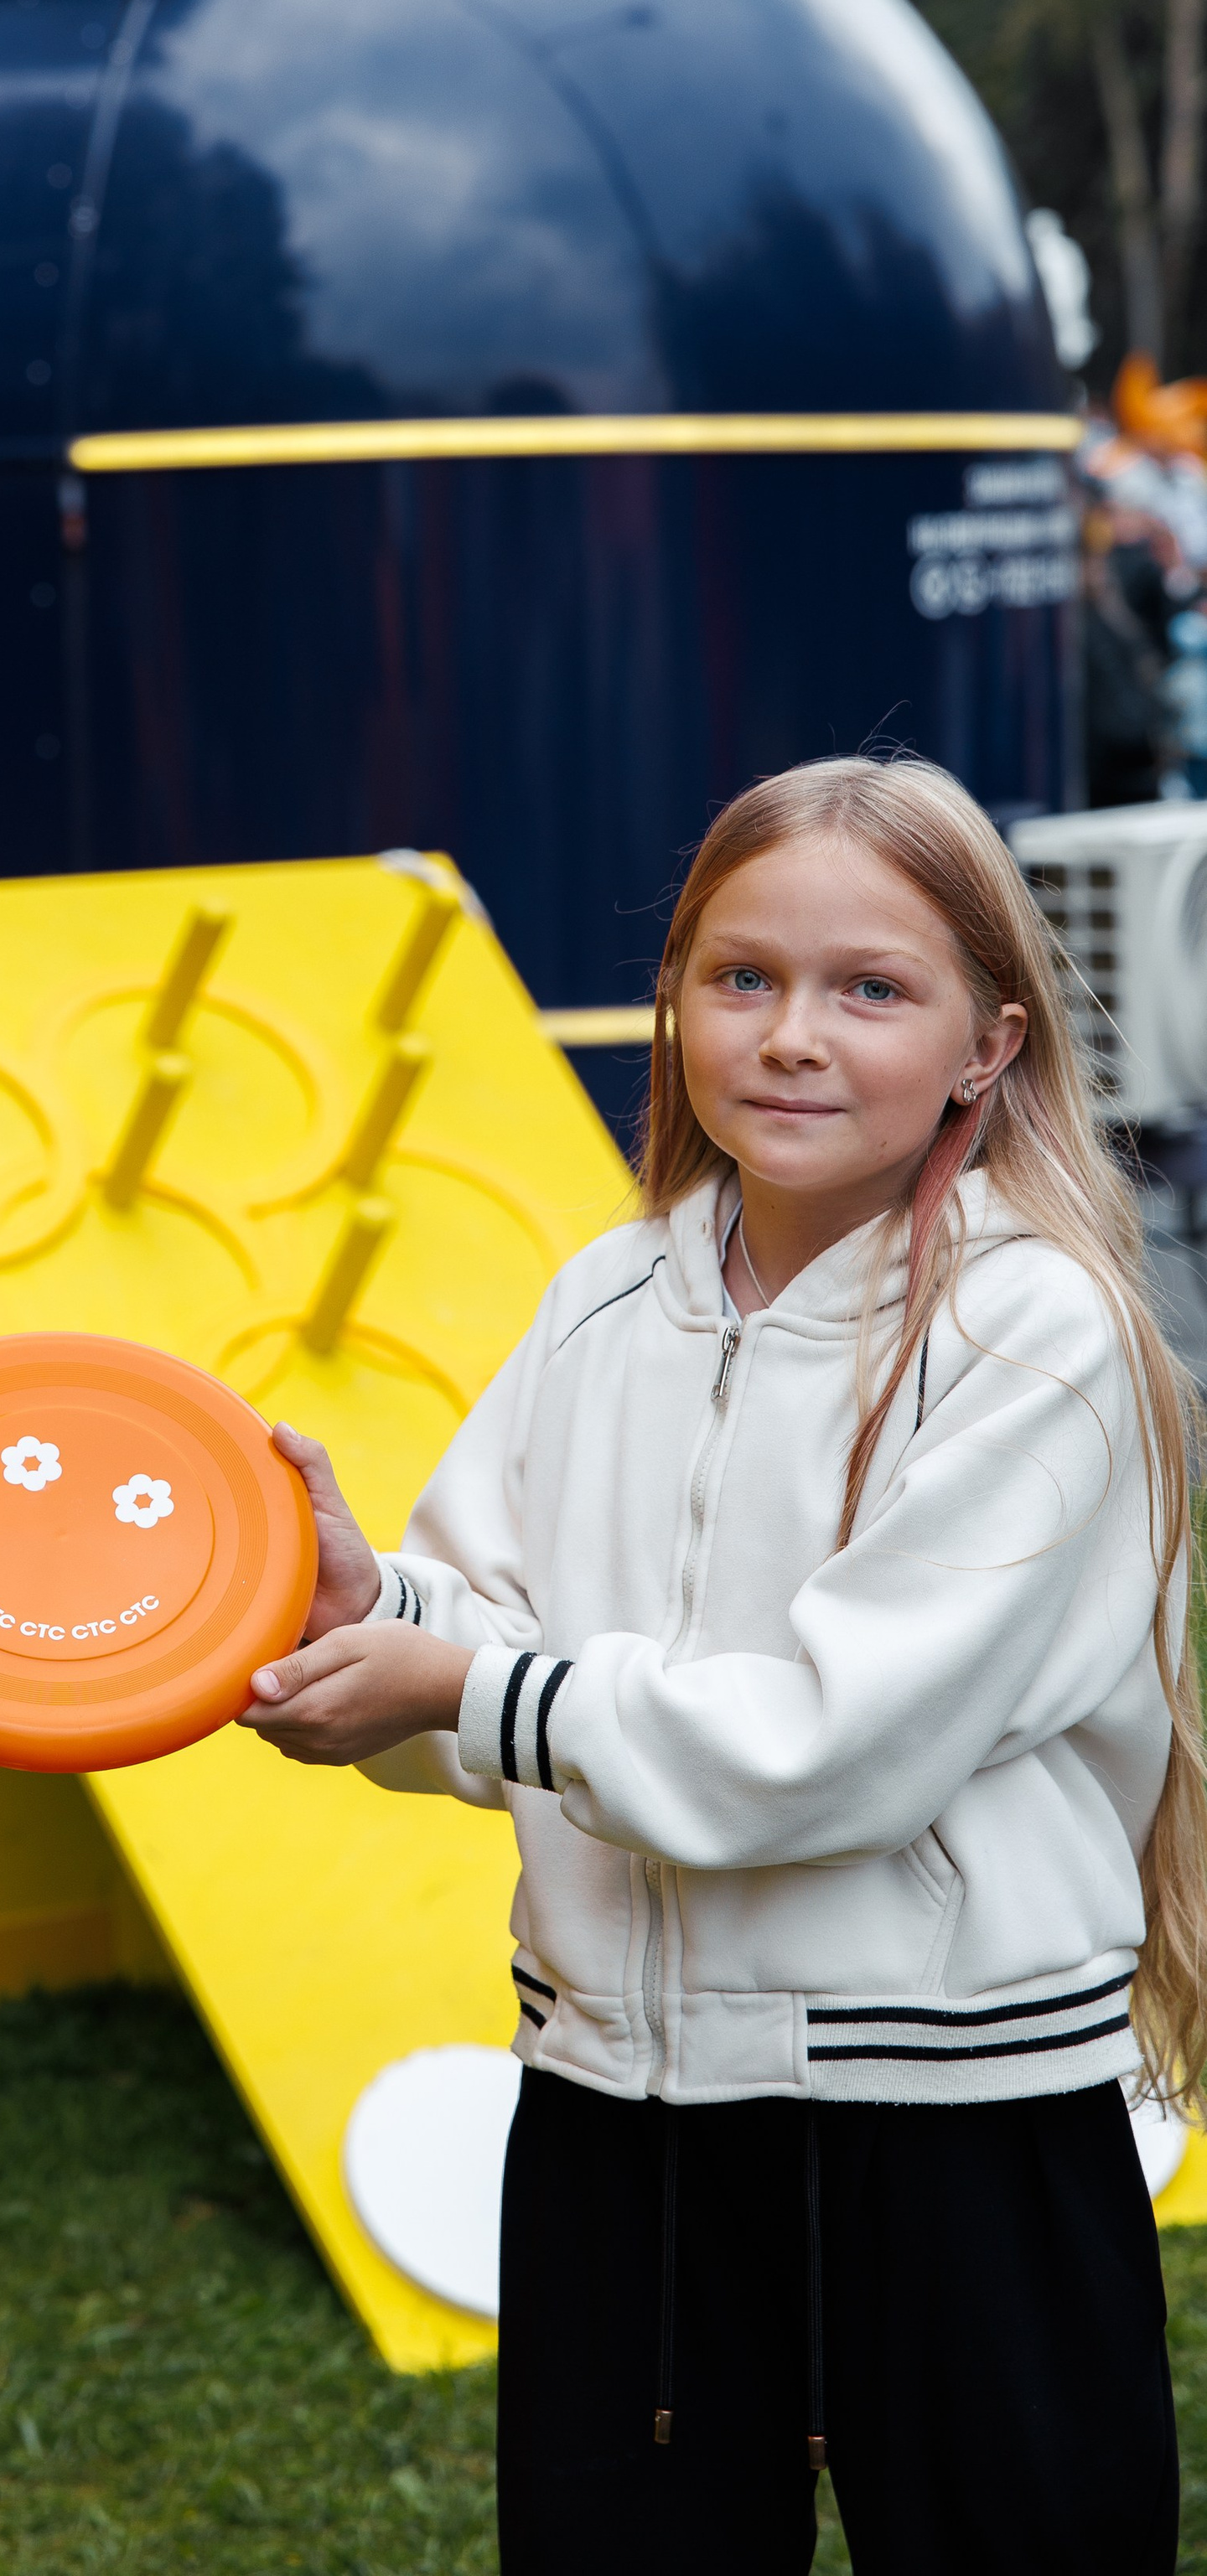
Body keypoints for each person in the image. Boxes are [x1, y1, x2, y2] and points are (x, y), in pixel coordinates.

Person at [243, 754, 1204, 2575]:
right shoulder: (603, 1301)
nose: (789, 1035)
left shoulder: (1030, 1328)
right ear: (670, 997)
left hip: (958, 2122)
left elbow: (826, 1754)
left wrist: (459, 1685)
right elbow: (485, 1645)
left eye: (869, 989)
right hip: (622, 2103)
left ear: (985, 1043)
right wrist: (371, 1609)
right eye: (739, 976)